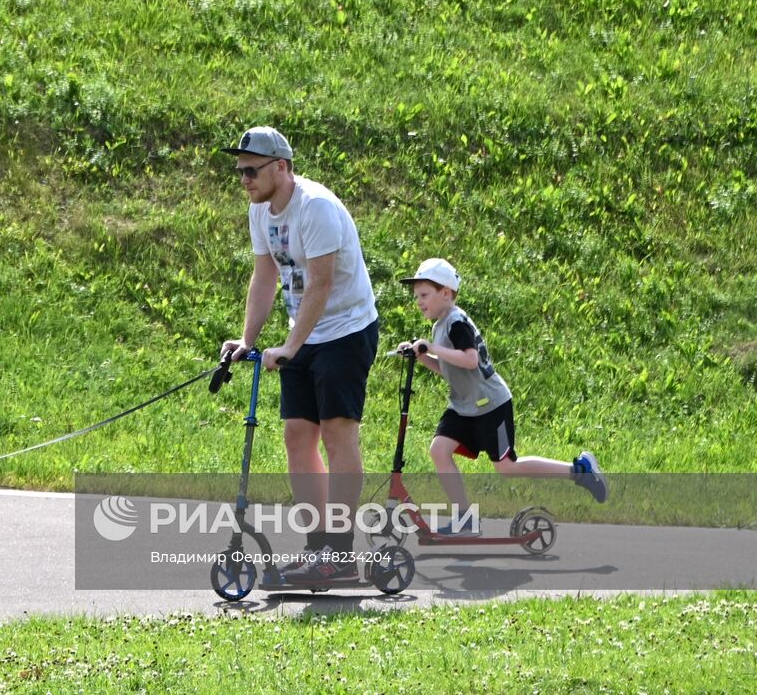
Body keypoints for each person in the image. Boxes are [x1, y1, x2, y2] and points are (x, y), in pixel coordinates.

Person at [219, 126, 380, 582]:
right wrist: (248, 340)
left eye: (252, 170)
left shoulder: (317, 208)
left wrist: (290, 346)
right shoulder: (261, 211)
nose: (245, 179)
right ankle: (318, 551)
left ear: (282, 167)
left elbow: (322, 283)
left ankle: (342, 554)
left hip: (347, 329)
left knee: (336, 433)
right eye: (240, 172)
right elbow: (265, 275)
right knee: (296, 436)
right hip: (303, 335)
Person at [397, 257, 608, 536]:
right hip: (464, 406)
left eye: (424, 295)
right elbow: (451, 370)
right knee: (439, 450)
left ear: (446, 293)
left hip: (490, 406)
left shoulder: (456, 322)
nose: (419, 302)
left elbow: (470, 361)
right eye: (416, 297)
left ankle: (579, 470)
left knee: (507, 467)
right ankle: (465, 519)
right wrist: (422, 356)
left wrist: (432, 347)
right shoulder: (440, 325)